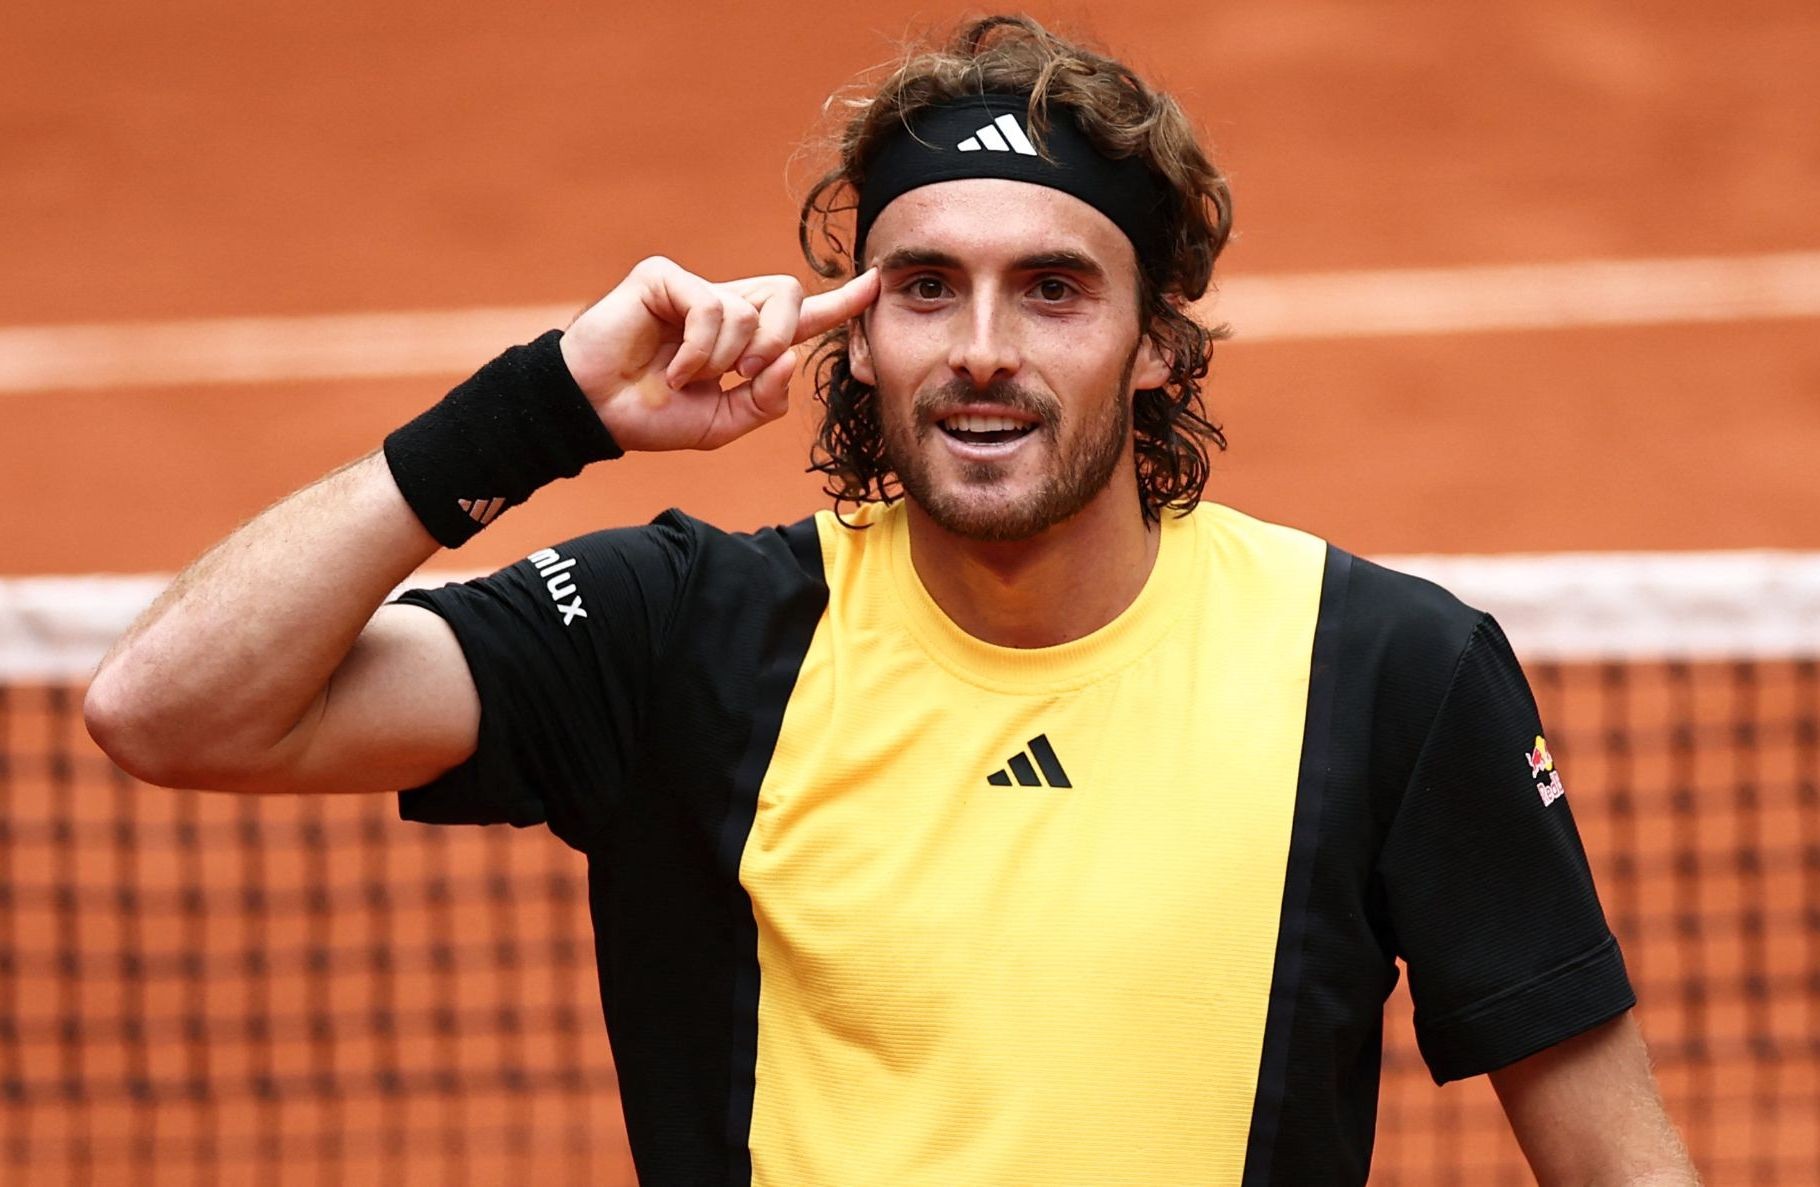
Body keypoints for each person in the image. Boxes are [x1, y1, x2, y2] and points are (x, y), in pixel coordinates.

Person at [85, 14, 1697, 1186]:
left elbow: (1621, 1163)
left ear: (1156, 344)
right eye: (926, 287)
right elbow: (167, 708)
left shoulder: (1385, 671)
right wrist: (541, 410)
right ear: (856, 337)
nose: (982, 348)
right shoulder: (684, 636)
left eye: (1053, 289)